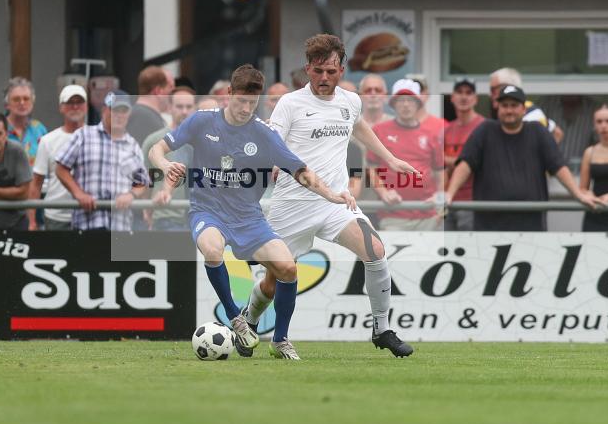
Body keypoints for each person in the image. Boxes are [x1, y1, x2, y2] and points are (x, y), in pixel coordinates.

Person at [148, 64, 356, 360]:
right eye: (241, 101)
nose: (246, 108)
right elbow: (156, 149)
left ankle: (281, 340)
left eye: (252, 103)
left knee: (287, 268)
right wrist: (166, 165)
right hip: (208, 211)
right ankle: (236, 319)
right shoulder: (201, 122)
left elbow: (301, 171)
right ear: (228, 94)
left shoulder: (263, 134)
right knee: (212, 248)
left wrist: (332, 194)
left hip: (248, 217)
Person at [244, 34, 419, 358]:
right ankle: (250, 319)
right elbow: (272, 145)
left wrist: (391, 158)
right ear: (307, 69)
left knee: (375, 250)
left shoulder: (350, 102)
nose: (325, 78)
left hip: (336, 203)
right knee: (273, 281)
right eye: (318, 71)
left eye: (332, 71)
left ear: (342, 70)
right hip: (291, 205)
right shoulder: (291, 103)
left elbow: (359, 127)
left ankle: (381, 329)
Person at [446, 85, 597, 231]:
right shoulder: (485, 131)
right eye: (504, 105)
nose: (509, 110)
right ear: (498, 108)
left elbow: (558, 166)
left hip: (530, 225)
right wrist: (449, 194)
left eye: (514, 105)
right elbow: (465, 165)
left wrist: (578, 194)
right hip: (489, 226)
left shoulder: (538, 132)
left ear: (523, 108)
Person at [55, 90, 150, 232]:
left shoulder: (133, 145)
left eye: (124, 111)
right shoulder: (83, 135)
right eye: (115, 110)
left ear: (129, 114)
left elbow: (143, 182)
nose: (119, 115)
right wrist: (79, 194)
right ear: (104, 110)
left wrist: (131, 194)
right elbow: (61, 168)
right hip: (87, 224)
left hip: (120, 227)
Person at [369, 80, 445, 230]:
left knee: (428, 254)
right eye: (401, 100)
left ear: (418, 104)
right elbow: (370, 170)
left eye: (410, 100)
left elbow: (440, 172)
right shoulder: (379, 130)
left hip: (428, 215)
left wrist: (440, 196)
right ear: (393, 103)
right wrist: (383, 192)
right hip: (393, 215)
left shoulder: (432, 134)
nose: (405, 104)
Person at [28, 84, 88, 231]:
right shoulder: (47, 140)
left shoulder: (98, 138)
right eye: (69, 103)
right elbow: (36, 184)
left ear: (86, 107)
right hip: (56, 217)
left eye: (79, 102)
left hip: (89, 215)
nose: (75, 107)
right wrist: (31, 221)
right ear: (61, 107)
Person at [142, 87, 197, 230]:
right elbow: (145, 181)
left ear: (195, 108)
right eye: (179, 106)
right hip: (166, 215)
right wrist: (147, 208)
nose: (184, 111)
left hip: (199, 218)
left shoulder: (204, 139)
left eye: (189, 106)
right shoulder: (154, 140)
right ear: (169, 107)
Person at [443, 77, 484, 231]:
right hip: (449, 201)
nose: (464, 97)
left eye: (469, 92)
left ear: (476, 99)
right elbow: (440, 168)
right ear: (452, 98)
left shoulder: (484, 127)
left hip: (474, 201)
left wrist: (448, 160)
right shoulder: (447, 129)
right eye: (459, 92)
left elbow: (479, 163)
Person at [489, 68, 563, 143]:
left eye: (493, 90)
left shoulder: (532, 115)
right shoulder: (528, 107)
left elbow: (557, 133)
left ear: (509, 87)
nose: (490, 95)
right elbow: (557, 132)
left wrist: (547, 153)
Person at [127, 66, 172, 146]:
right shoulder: (147, 118)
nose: (170, 97)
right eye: (168, 90)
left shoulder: (137, 113)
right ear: (158, 91)